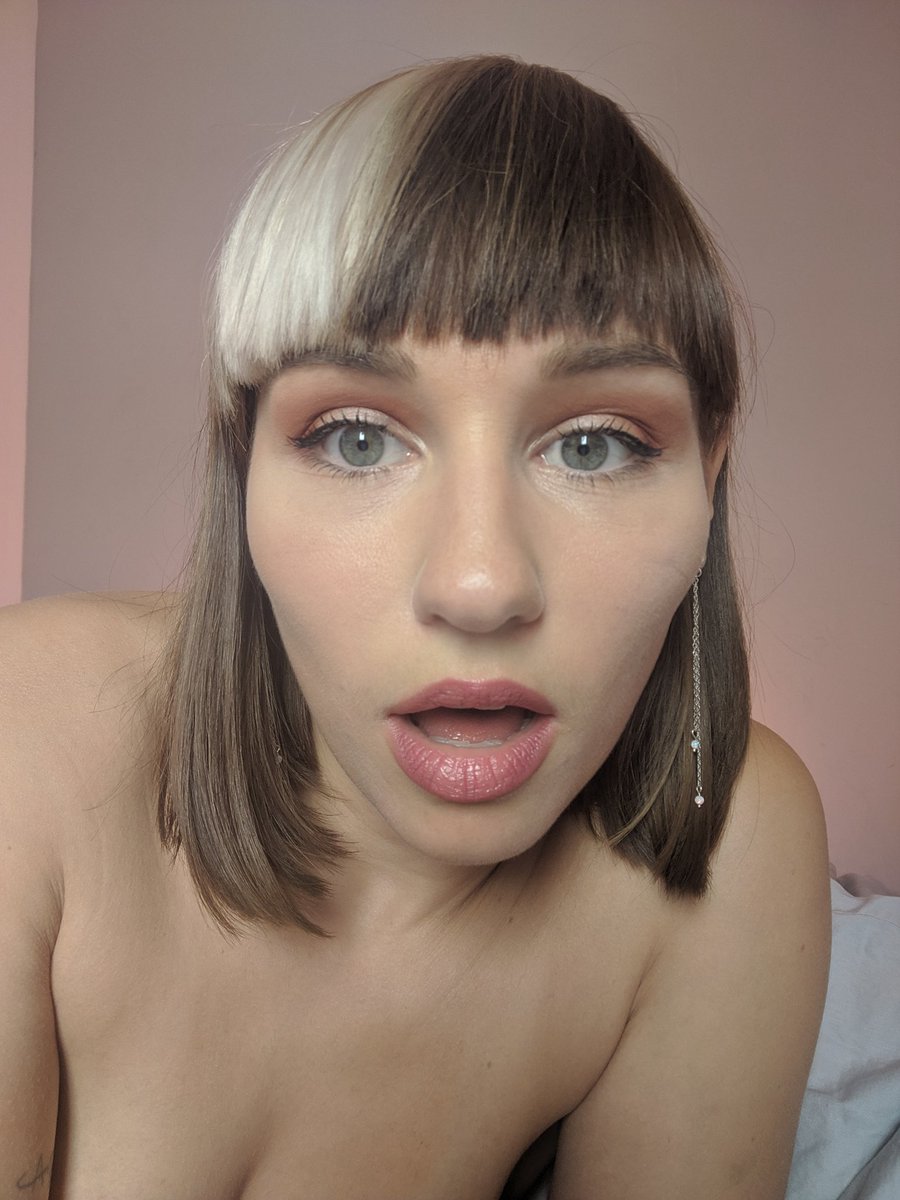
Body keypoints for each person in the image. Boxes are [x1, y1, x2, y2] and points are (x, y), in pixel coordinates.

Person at [1, 55, 830, 1199]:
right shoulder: (29, 731)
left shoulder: (729, 831)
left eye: (594, 445)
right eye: (357, 438)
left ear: (708, 475)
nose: (480, 585)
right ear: (244, 470)